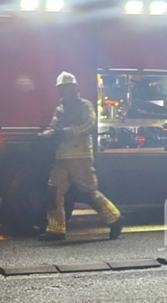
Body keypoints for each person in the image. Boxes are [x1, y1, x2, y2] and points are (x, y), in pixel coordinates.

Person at [38, 71, 123, 241]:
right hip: (62, 156)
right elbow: (55, 126)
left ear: (74, 88)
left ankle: (115, 219)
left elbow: (91, 125)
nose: (62, 91)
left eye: (66, 88)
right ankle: (56, 229)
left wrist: (70, 132)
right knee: (54, 191)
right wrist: (48, 133)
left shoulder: (85, 105)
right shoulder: (60, 108)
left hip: (80, 156)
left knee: (89, 192)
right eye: (60, 88)